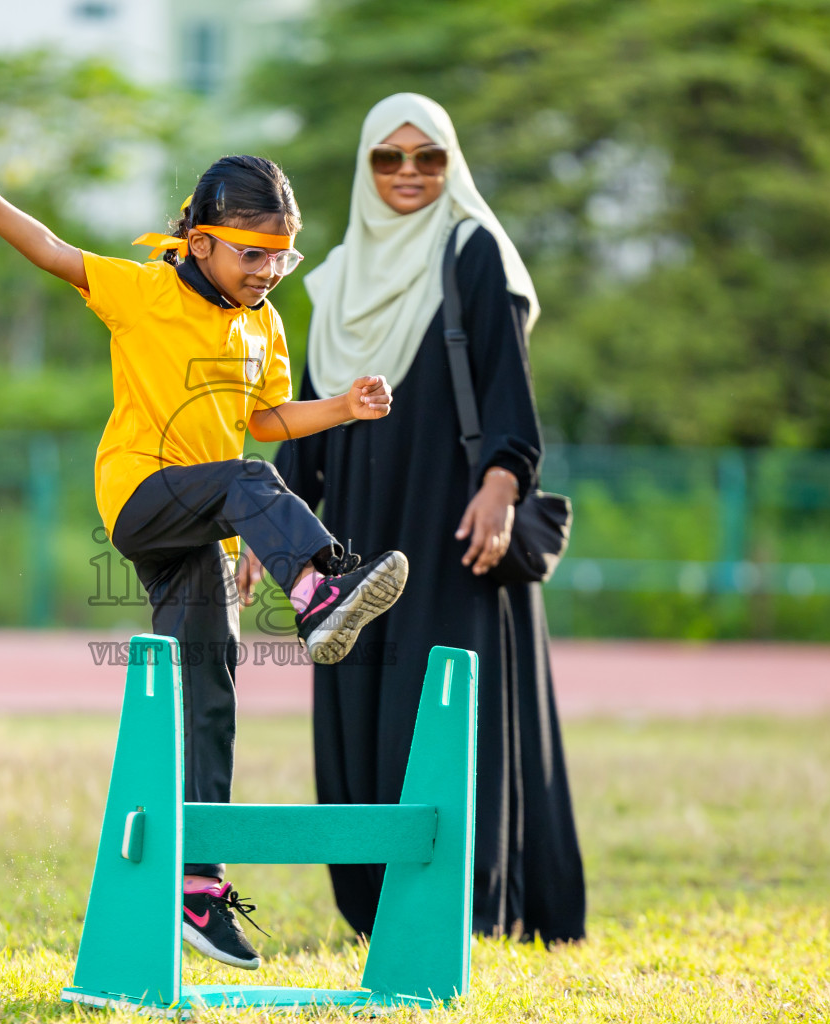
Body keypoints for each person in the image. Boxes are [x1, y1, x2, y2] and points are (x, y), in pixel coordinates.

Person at [0, 115, 411, 968]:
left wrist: (343, 407)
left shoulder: (263, 325)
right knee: (250, 481)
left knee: (210, 689)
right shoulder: (144, 291)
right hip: (142, 499)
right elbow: (48, 248)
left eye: (280, 257)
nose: (266, 272)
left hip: (210, 524)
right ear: (200, 238)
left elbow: (262, 419)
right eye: (250, 254)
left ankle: (198, 886)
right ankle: (320, 592)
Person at [241, 93, 586, 943]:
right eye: (388, 158)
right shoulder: (340, 278)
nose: (407, 173)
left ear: (451, 164)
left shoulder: (473, 251)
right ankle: (375, 905)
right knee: (363, 705)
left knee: (443, 708)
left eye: (427, 157)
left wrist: (503, 485)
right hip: (358, 537)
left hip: (452, 526)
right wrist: (271, 528)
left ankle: (474, 903)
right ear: (365, 168)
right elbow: (312, 422)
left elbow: (508, 381)